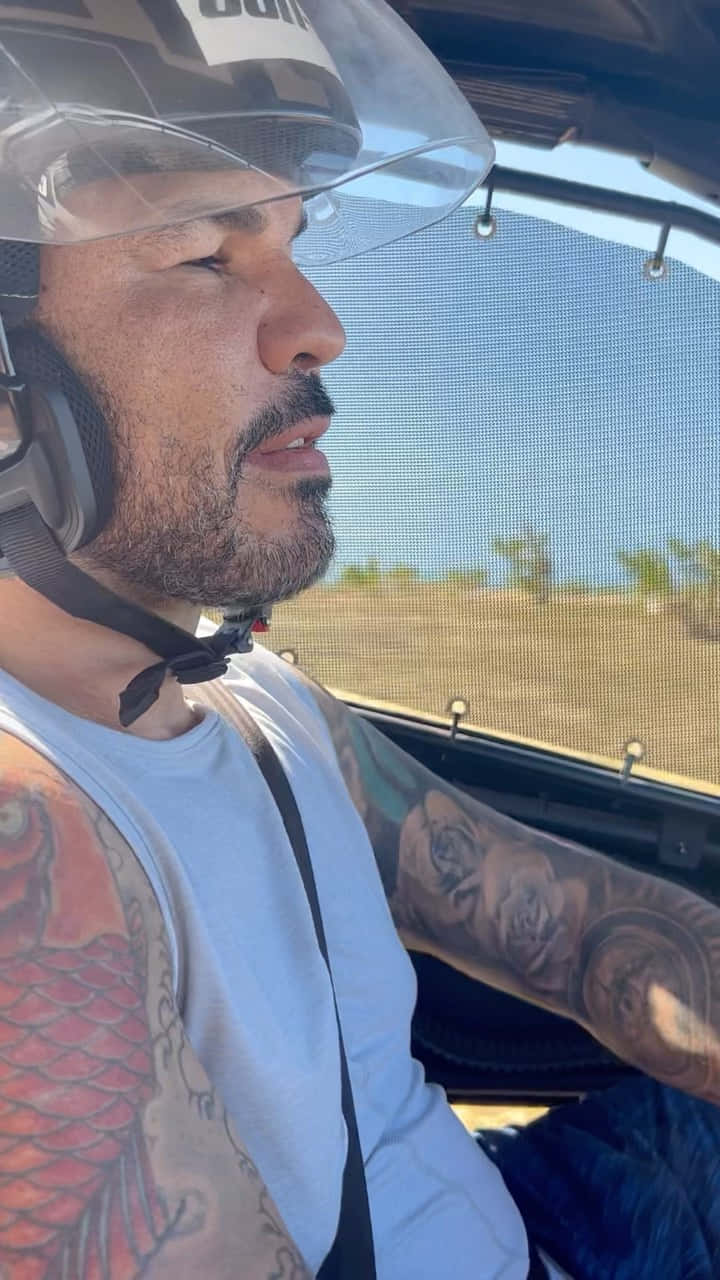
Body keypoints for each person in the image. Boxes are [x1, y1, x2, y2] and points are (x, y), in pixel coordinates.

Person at [0, 3, 717, 1278]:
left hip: (550, 1212)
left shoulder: (265, 706)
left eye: (292, 243)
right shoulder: (24, 840)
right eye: (205, 254)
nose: (320, 326)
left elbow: (590, 935)